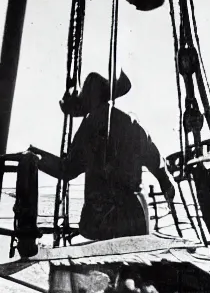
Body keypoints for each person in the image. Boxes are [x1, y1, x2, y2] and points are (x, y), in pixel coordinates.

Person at [29, 70, 176, 241]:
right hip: (136, 218)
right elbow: (155, 161)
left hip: (102, 220)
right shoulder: (131, 122)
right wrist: (166, 185)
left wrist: (35, 158)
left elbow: (67, 170)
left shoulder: (89, 128)